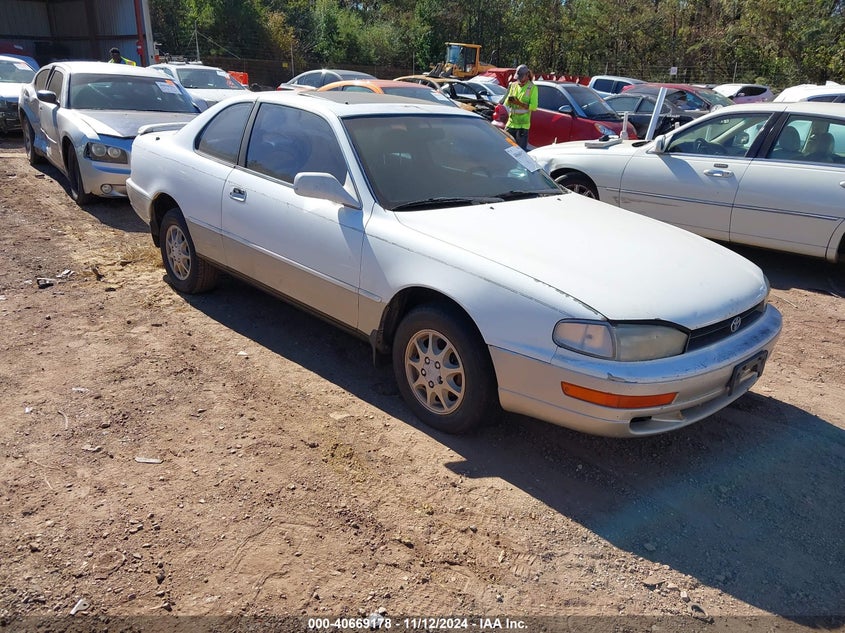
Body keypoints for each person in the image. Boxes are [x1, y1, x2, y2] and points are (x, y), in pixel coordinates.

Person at [504, 64, 538, 150]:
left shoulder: (532, 88)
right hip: (510, 124)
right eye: (518, 77)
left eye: (521, 77)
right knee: (507, 149)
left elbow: (534, 107)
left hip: (522, 126)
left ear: (527, 75)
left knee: (519, 151)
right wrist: (509, 100)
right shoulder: (513, 85)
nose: (519, 80)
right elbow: (506, 103)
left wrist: (519, 103)